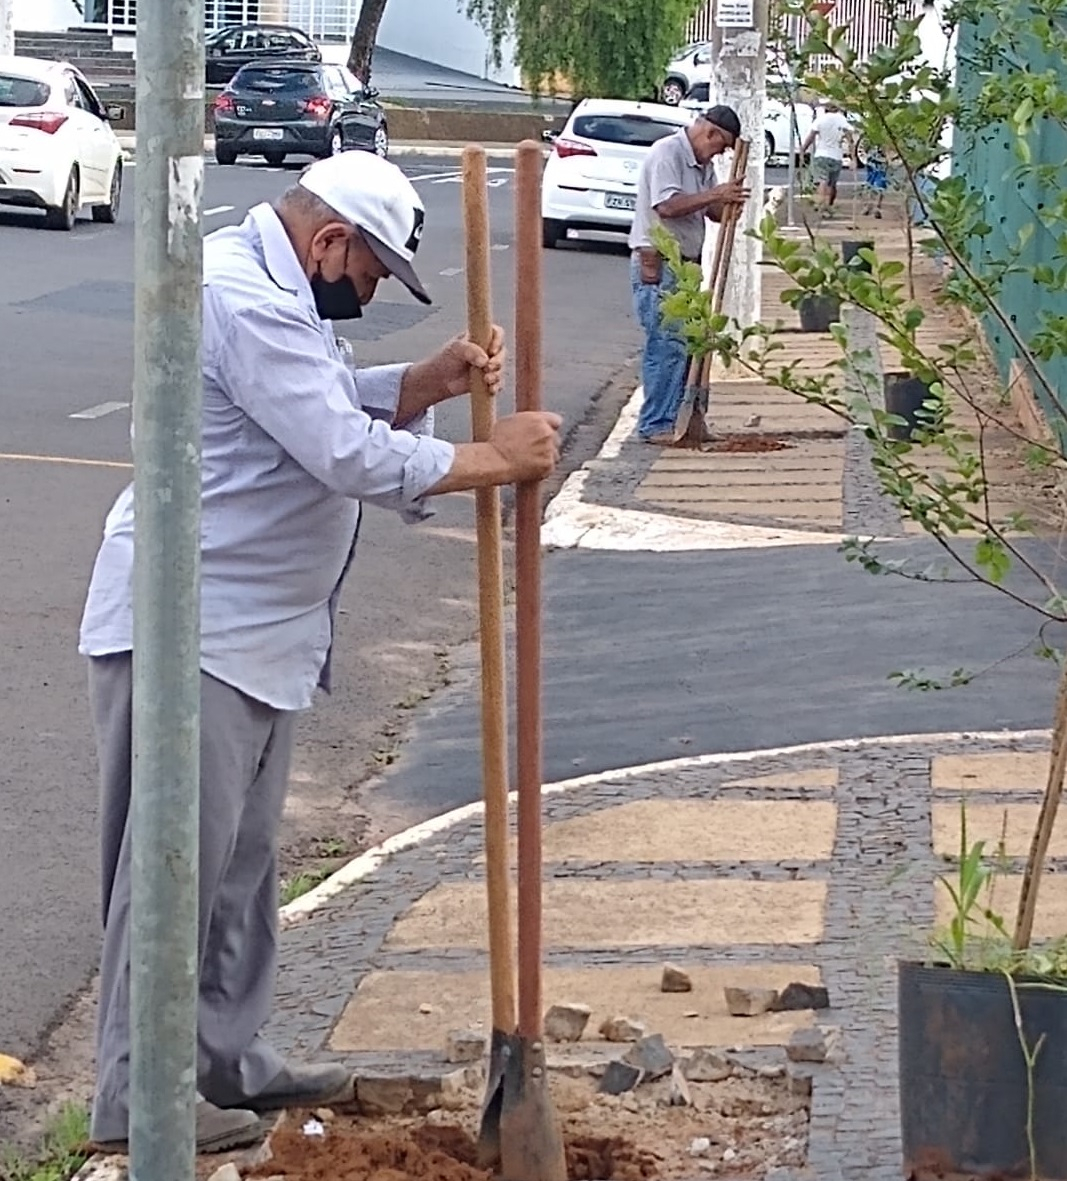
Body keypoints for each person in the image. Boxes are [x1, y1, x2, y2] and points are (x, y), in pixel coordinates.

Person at [79, 152, 562, 1153]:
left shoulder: (274, 292)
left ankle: (223, 1059)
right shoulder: (243, 297)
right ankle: (137, 1094)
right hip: (192, 626)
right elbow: (339, 449)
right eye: (373, 273)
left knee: (239, 870)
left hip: (258, 632)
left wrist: (418, 383)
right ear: (329, 241)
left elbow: (324, 401)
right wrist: (491, 461)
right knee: (170, 871)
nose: (371, 290)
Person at [628, 105, 748, 445]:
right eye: (721, 145)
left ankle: (685, 419)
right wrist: (715, 194)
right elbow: (667, 206)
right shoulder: (668, 153)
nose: (720, 153)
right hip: (660, 263)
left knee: (688, 345)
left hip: (686, 265)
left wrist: (727, 203)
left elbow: (709, 212)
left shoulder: (702, 164)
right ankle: (655, 424)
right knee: (666, 345)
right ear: (710, 133)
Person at [801, 102, 856, 215]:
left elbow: (811, 136)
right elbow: (850, 141)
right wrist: (853, 158)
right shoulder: (842, 120)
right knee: (832, 184)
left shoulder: (821, 120)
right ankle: (829, 205)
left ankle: (821, 205)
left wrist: (803, 150)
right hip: (836, 156)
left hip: (821, 154)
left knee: (822, 181)